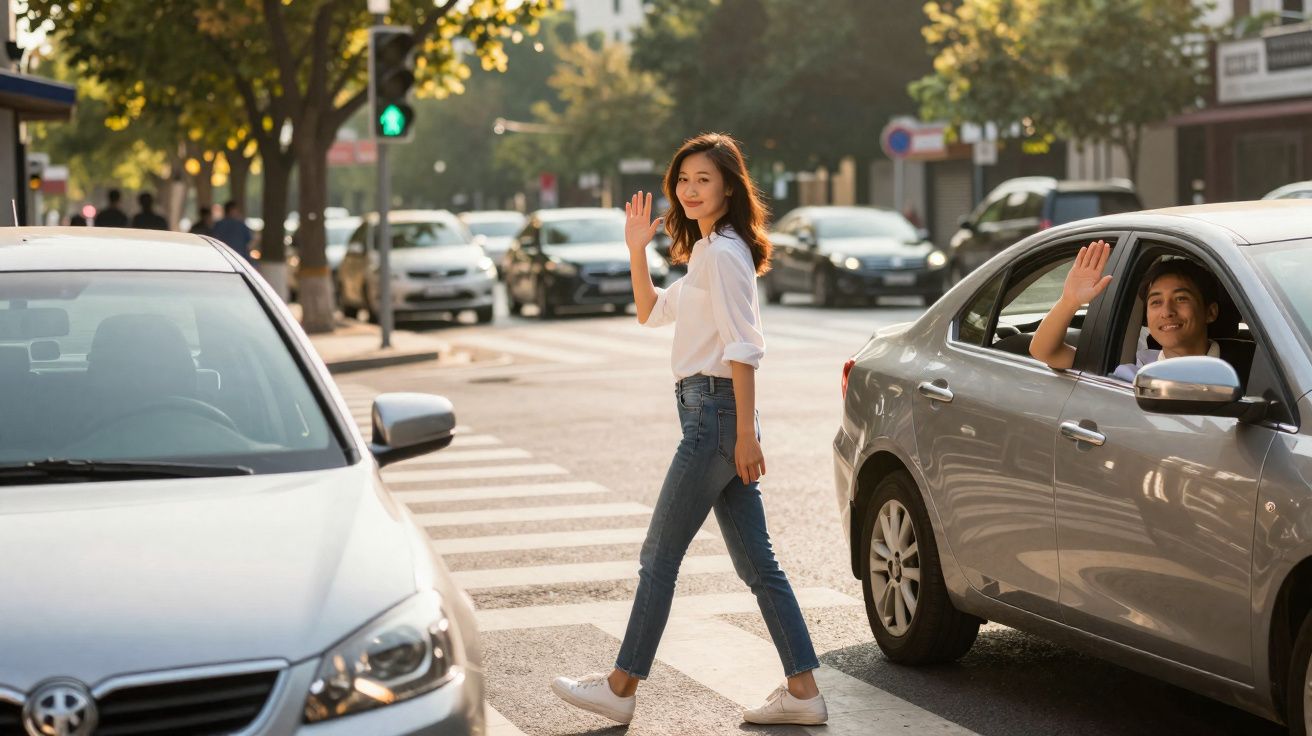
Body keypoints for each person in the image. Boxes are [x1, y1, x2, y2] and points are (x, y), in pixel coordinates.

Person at [551, 133, 827, 727]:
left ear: (729, 185)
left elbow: (744, 347)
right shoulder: (708, 252)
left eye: (704, 179)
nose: (691, 190)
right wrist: (635, 249)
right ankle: (804, 692)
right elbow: (651, 312)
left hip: (714, 418)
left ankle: (621, 685)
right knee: (758, 564)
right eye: (683, 180)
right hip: (713, 415)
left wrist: (745, 434)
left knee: (659, 556)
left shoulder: (724, 254)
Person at [1029, 240, 1224, 381]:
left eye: (1181, 298)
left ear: (1210, 312)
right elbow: (1045, 351)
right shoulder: (1132, 373)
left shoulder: (1247, 371)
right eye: (1156, 302)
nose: (1167, 311)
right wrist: (1069, 301)